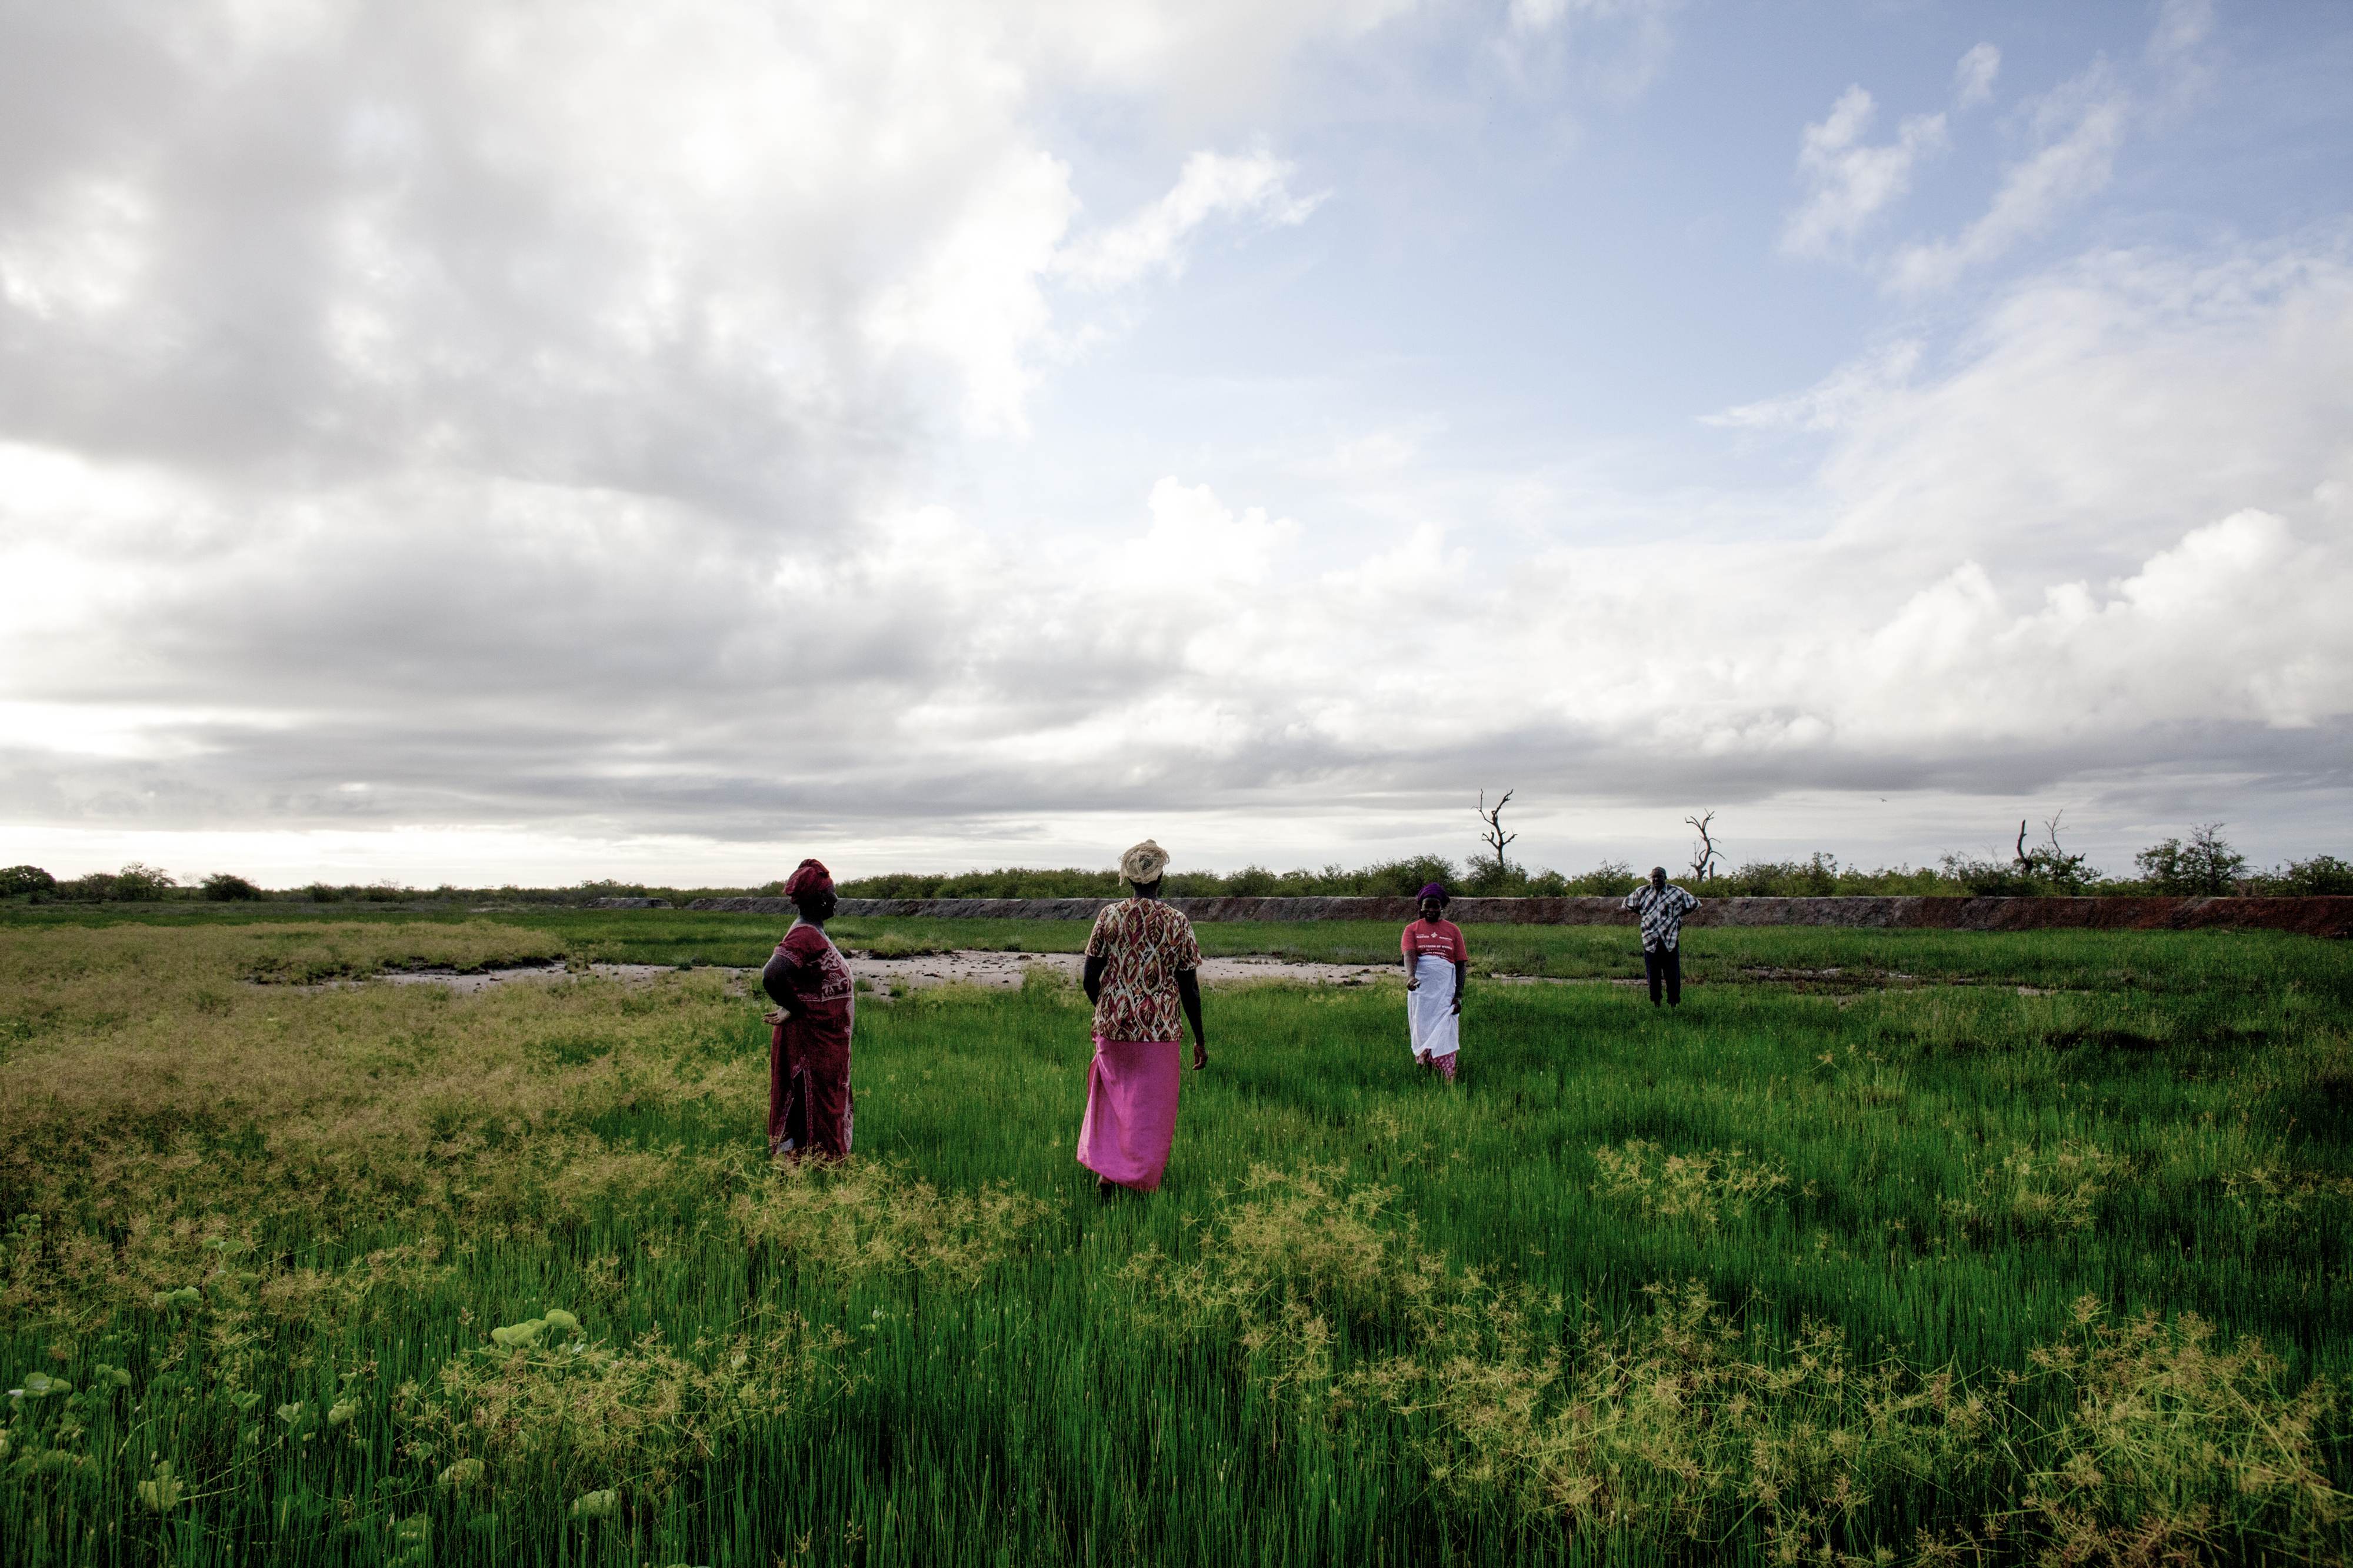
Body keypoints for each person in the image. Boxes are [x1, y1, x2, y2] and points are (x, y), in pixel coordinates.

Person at [1076, 839, 1207, 1196]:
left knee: (1113, 1105)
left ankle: (1109, 1177)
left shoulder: (1109, 916)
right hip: (1159, 1033)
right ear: (1159, 878)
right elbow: (1189, 989)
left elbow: (1090, 978)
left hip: (1113, 1030)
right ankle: (1139, 1183)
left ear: (1130, 879)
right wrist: (1199, 1039)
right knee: (1151, 1113)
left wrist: (1108, 1010)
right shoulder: (1176, 922)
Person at [760, 858, 855, 1159]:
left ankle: (818, 1170)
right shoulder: (805, 934)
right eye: (831, 894)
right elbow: (773, 975)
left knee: (820, 1103)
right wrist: (796, 1009)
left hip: (824, 1043)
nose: (836, 900)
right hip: (810, 1043)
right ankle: (813, 1172)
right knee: (811, 1105)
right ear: (818, 898)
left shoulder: (814, 930)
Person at [1401, 882, 1468, 1083]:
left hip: (1445, 991)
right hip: (1421, 991)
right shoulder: (1412, 930)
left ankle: (1447, 1076)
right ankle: (1426, 1073)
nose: (1431, 910)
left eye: (1435, 906)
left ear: (1442, 907)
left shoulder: (1453, 930)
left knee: (1446, 1027)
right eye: (1427, 906)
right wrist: (1411, 977)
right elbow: (1410, 954)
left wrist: (1458, 995)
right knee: (1422, 1030)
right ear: (1420, 907)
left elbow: (1461, 963)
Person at [1624, 865, 1700, 1007]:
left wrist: (1678, 915)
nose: (1657, 879)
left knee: (1673, 974)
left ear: (1666, 878)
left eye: (1660, 877)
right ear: (1651, 878)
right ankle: (1656, 1003)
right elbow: (1627, 904)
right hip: (1650, 939)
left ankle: (1673, 1004)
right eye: (1654, 877)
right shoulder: (1643, 892)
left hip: (1670, 939)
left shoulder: (1676, 892)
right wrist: (1643, 915)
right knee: (1653, 974)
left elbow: (1694, 904)